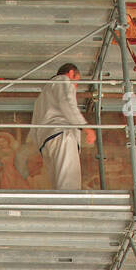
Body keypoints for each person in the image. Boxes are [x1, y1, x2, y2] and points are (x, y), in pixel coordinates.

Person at [31, 62, 95, 191]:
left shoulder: (42, 96)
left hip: (47, 141)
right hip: (62, 134)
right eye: (77, 81)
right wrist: (86, 128)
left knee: (58, 185)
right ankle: (71, 210)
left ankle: (62, 209)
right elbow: (67, 103)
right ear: (71, 73)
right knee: (69, 183)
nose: (75, 87)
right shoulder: (63, 80)